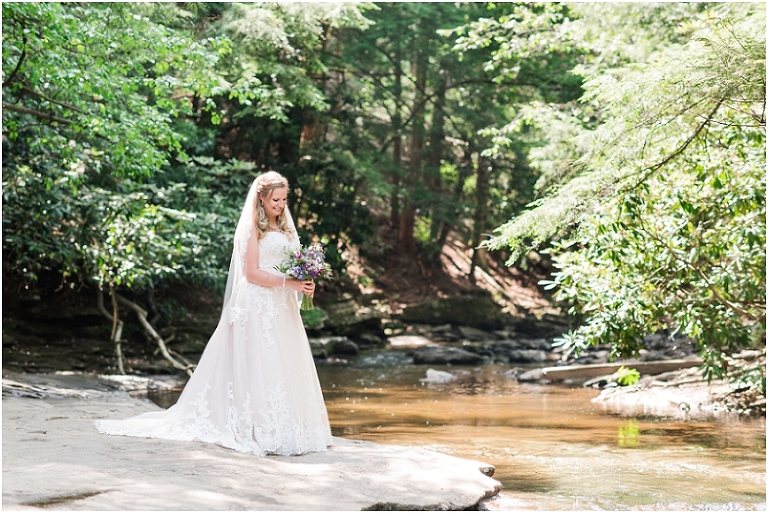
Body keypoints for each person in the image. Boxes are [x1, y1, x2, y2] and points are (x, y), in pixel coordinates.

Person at [95, 171, 333, 456]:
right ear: (261, 197)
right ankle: (257, 428)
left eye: (284, 200)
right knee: (259, 363)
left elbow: (290, 264)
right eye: (275, 200)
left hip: (281, 307)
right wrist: (288, 283)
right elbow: (251, 273)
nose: (280, 206)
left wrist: (304, 282)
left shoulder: (286, 229)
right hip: (256, 305)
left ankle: (289, 428)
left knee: (283, 363)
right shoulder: (250, 229)